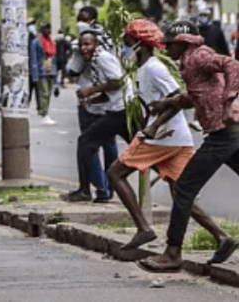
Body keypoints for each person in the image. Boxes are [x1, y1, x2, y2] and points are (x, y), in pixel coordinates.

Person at [108, 19, 231, 253]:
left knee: (115, 173)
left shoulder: (155, 68)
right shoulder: (144, 68)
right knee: (180, 193)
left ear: (139, 43)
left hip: (162, 137)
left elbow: (176, 98)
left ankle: (144, 230)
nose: (123, 43)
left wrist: (153, 127)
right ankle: (221, 236)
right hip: (176, 138)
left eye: (127, 39)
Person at [139, 21, 239, 273]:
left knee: (183, 188)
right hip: (227, 132)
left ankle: (172, 253)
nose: (165, 48)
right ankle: (224, 240)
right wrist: (168, 103)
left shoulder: (199, 55)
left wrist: (228, 103)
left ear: (183, 42)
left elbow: (233, 65)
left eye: (170, 44)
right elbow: (196, 95)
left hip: (224, 132)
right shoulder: (189, 61)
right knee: (184, 189)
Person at [66, 30, 129, 202]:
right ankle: (104, 190)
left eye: (87, 44)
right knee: (139, 149)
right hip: (115, 110)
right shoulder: (96, 59)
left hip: (120, 111)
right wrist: (92, 99)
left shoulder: (102, 57)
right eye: (81, 45)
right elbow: (110, 87)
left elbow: (117, 82)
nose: (83, 48)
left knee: (85, 142)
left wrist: (91, 90)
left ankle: (86, 189)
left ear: (96, 44)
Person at [30, 22, 58, 125]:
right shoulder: (36, 42)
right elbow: (33, 59)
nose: (47, 30)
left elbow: (55, 58)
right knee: (44, 93)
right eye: (45, 28)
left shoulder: (52, 41)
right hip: (41, 71)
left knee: (48, 94)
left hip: (51, 70)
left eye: (48, 28)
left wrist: (56, 73)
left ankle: (44, 111)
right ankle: (44, 114)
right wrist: (35, 75)